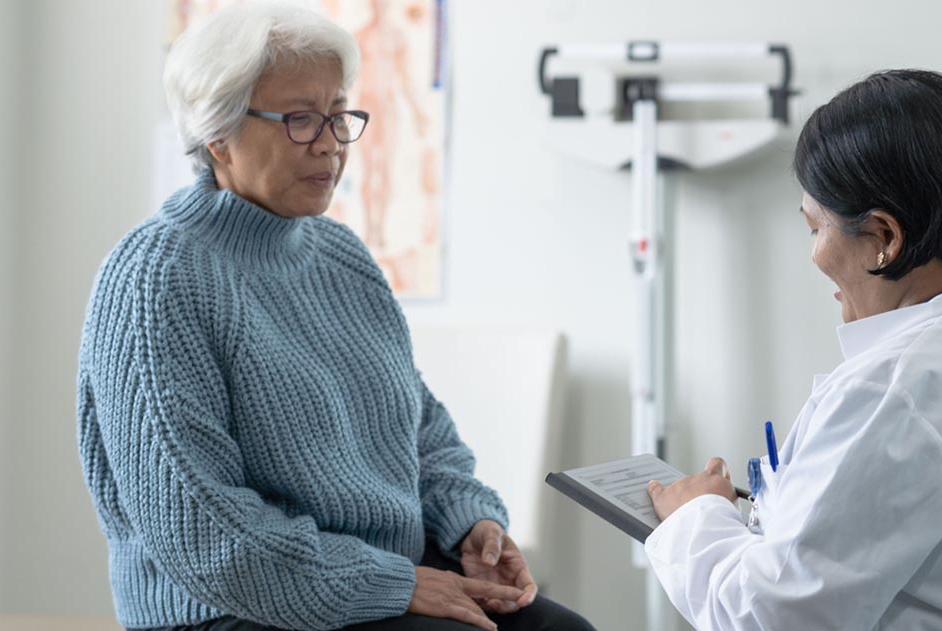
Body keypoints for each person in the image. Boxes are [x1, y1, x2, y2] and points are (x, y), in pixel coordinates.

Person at [75, 5, 593, 631]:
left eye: (337, 117)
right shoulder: (154, 277)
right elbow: (202, 532)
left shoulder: (339, 254)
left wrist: (468, 524)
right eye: (298, 119)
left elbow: (418, 428)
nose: (328, 143)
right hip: (234, 607)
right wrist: (390, 582)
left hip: (377, 574)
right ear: (217, 133)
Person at [644, 69, 942, 630]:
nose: (814, 256)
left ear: (884, 239)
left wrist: (695, 517)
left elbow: (768, 618)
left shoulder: (898, 390)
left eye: (816, 228)